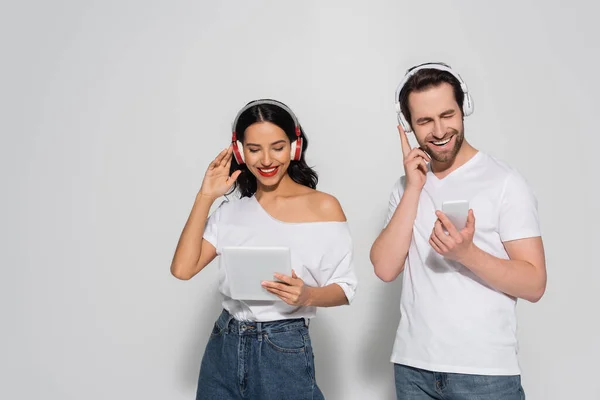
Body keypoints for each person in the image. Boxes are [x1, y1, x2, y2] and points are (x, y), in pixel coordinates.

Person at [370, 63, 547, 400]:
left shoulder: (505, 182)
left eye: (446, 115)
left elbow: (535, 283)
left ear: (464, 109)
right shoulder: (406, 187)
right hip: (413, 368)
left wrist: (466, 254)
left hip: (485, 374)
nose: (438, 131)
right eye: (424, 121)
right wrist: (413, 189)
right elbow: (384, 267)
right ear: (409, 127)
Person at [170, 99, 357, 400]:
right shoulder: (231, 212)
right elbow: (182, 269)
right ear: (240, 152)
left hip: (282, 347)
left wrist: (308, 295)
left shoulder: (323, 206)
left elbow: (345, 287)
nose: (266, 160)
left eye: (278, 147)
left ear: (295, 147)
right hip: (224, 344)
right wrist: (205, 196)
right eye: (254, 149)